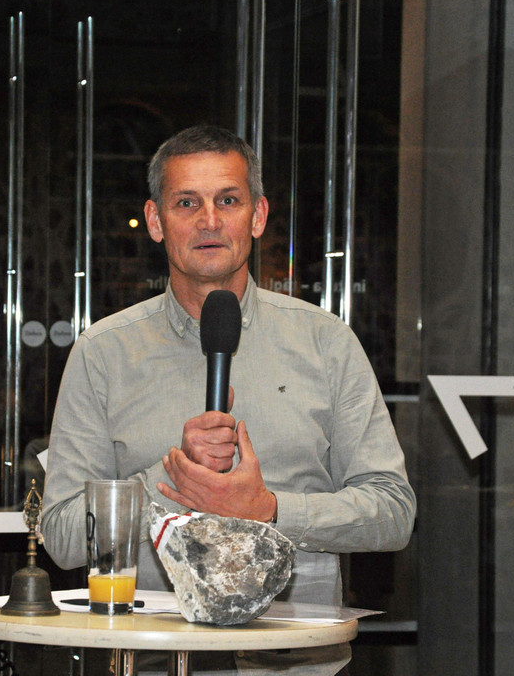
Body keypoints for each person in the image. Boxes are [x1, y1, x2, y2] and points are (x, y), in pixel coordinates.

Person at [40, 125, 415, 674]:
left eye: (228, 201)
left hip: (295, 666)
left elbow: (393, 511)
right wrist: (168, 481)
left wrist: (269, 510)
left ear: (257, 216)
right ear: (155, 221)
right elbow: (63, 535)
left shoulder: (326, 342)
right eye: (186, 202)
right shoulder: (104, 352)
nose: (209, 220)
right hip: (154, 661)